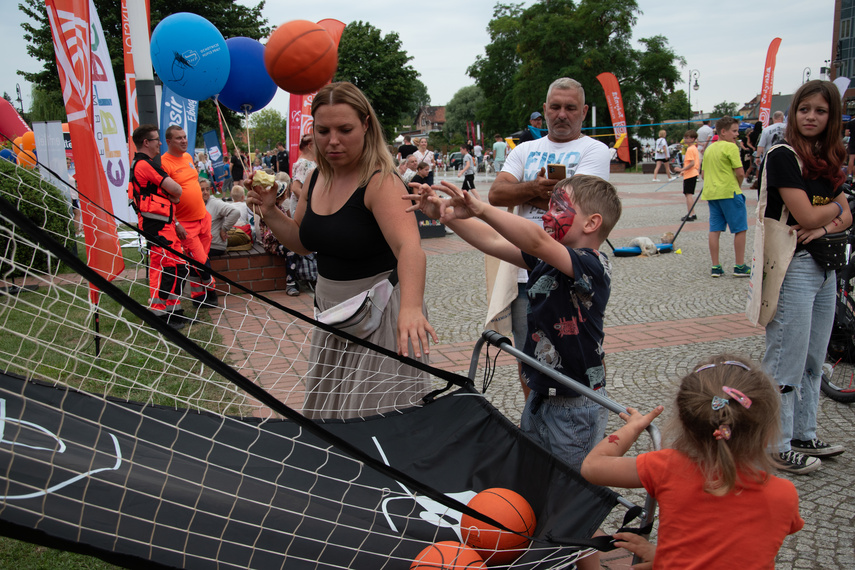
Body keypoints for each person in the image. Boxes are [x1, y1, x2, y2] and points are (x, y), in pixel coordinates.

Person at [247, 81, 437, 420]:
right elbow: (303, 242)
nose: (333, 140)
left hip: (379, 315)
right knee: (335, 420)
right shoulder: (318, 177)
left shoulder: (380, 181)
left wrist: (410, 308)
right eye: (323, 130)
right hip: (332, 313)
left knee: (375, 421)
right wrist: (271, 211)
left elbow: (410, 248)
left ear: (366, 125)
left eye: (345, 129)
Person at [408, 174, 621, 472]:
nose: (547, 215)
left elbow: (535, 239)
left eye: (558, 208)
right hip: (540, 395)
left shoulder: (593, 264)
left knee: (571, 487)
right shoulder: (546, 260)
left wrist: (481, 208)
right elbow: (493, 241)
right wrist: (446, 216)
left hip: (577, 404)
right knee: (534, 474)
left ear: (591, 223)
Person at [580, 354, 804, 568]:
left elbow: (592, 466)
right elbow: (728, 552)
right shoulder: (784, 495)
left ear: (684, 424)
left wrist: (632, 427)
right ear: (766, 431)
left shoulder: (668, 467)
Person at [488, 77, 610, 401]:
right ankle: (535, 415)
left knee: (577, 349)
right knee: (528, 350)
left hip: (572, 272)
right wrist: (535, 189)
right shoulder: (525, 149)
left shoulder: (595, 150)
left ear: (583, 112)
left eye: (570, 108)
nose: (562, 114)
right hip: (525, 270)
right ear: (544, 110)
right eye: (555, 107)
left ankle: (578, 415)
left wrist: (530, 192)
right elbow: (496, 194)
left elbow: (581, 209)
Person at [760, 80, 851, 472]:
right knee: (786, 358)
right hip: (793, 265)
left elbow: (839, 215)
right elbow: (816, 214)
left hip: (825, 264)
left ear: (831, 117)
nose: (811, 117)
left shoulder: (826, 158)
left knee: (815, 359)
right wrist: (833, 214)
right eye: (804, 109)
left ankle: (803, 433)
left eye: (820, 111)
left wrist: (826, 224)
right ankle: (775, 443)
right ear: (794, 113)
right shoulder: (783, 155)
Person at [128, 124, 187, 328]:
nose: (159, 143)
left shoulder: (145, 164)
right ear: (146, 142)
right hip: (156, 225)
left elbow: (173, 193)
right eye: (156, 140)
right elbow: (176, 189)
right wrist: (173, 195)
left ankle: (173, 309)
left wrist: (173, 197)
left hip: (164, 222)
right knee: (164, 267)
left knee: (177, 266)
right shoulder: (145, 165)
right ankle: (159, 313)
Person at [161, 125, 217, 308]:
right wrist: (176, 223)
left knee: (199, 260)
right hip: (185, 223)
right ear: (168, 141)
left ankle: (198, 296)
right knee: (201, 261)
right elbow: (165, 199)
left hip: (203, 218)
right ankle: (212, 291)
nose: (184, 140)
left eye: (185, 137)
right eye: (179, 138)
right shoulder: (164, 163)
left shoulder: (187, 157)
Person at [700, 116, 750, 278]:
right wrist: (738, 186)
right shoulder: (731, 147)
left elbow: (703, 174)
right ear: (723, 132)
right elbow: (740, 172)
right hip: (729, 191)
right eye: (734, 131)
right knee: (740, 229)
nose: (737, 135)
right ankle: (739, 265)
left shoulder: (709, 149)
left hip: (712, 194)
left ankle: (716, 266)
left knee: (714, 230)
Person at [201, 178, 240, 256]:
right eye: (202, 190)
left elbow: (235, 212)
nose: (205, 192)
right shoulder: (198, 204)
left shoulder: (214, 203)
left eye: (207, 189)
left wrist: (224, 229)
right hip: (203, 245)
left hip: (214, 246)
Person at [674, 129, 700, 221]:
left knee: (688, 195)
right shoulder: (694, 148)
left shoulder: (690, 149)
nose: (685, 139)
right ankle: (692, 213)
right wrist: (683, 171)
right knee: (688, 194)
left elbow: (692, 163)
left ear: (692, 139)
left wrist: (681, 169)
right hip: (691, 173)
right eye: (685, 137)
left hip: (690, 174)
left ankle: (690, 215)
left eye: (687, 138)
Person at [290, 134, 317, 217]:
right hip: (302, 210)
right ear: (310, 146)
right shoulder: (304, 163)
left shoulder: (309, 162)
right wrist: (311, 203)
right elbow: (295, 188)